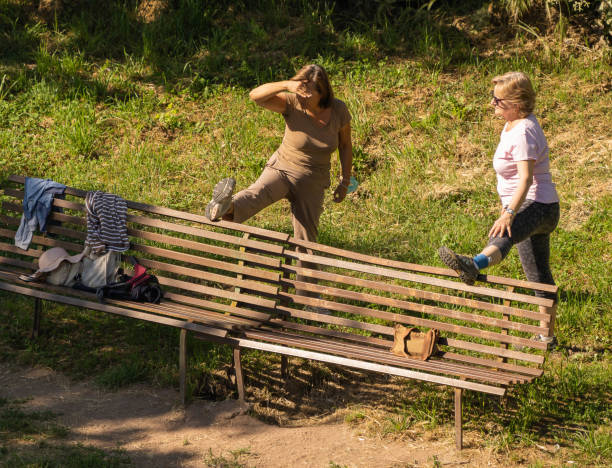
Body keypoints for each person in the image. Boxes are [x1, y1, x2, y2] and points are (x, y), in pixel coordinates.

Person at [438, 71, 560, 343]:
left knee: (505, 231)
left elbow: (527, 178)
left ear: (516, 104)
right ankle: (548, 337)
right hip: (539, 205)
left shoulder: (524, 131)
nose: (492, 103)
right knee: (537, 273)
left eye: (498, 100)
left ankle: (474, 264)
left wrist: (508, 213)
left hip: (539, 204)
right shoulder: (514, 124)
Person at [205, 63, 353, 245]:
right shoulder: (292, 103)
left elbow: (345, 145)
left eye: (308, 93)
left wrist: (345, 182)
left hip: (313, 180)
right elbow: (255, 96)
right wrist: (286, 85)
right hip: (282, 169)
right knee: (256, 195)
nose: (301, 97)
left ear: (322, 92)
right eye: (299, 91)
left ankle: (306, 274)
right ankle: (225, 207)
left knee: (307, 240)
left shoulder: (339, 110)